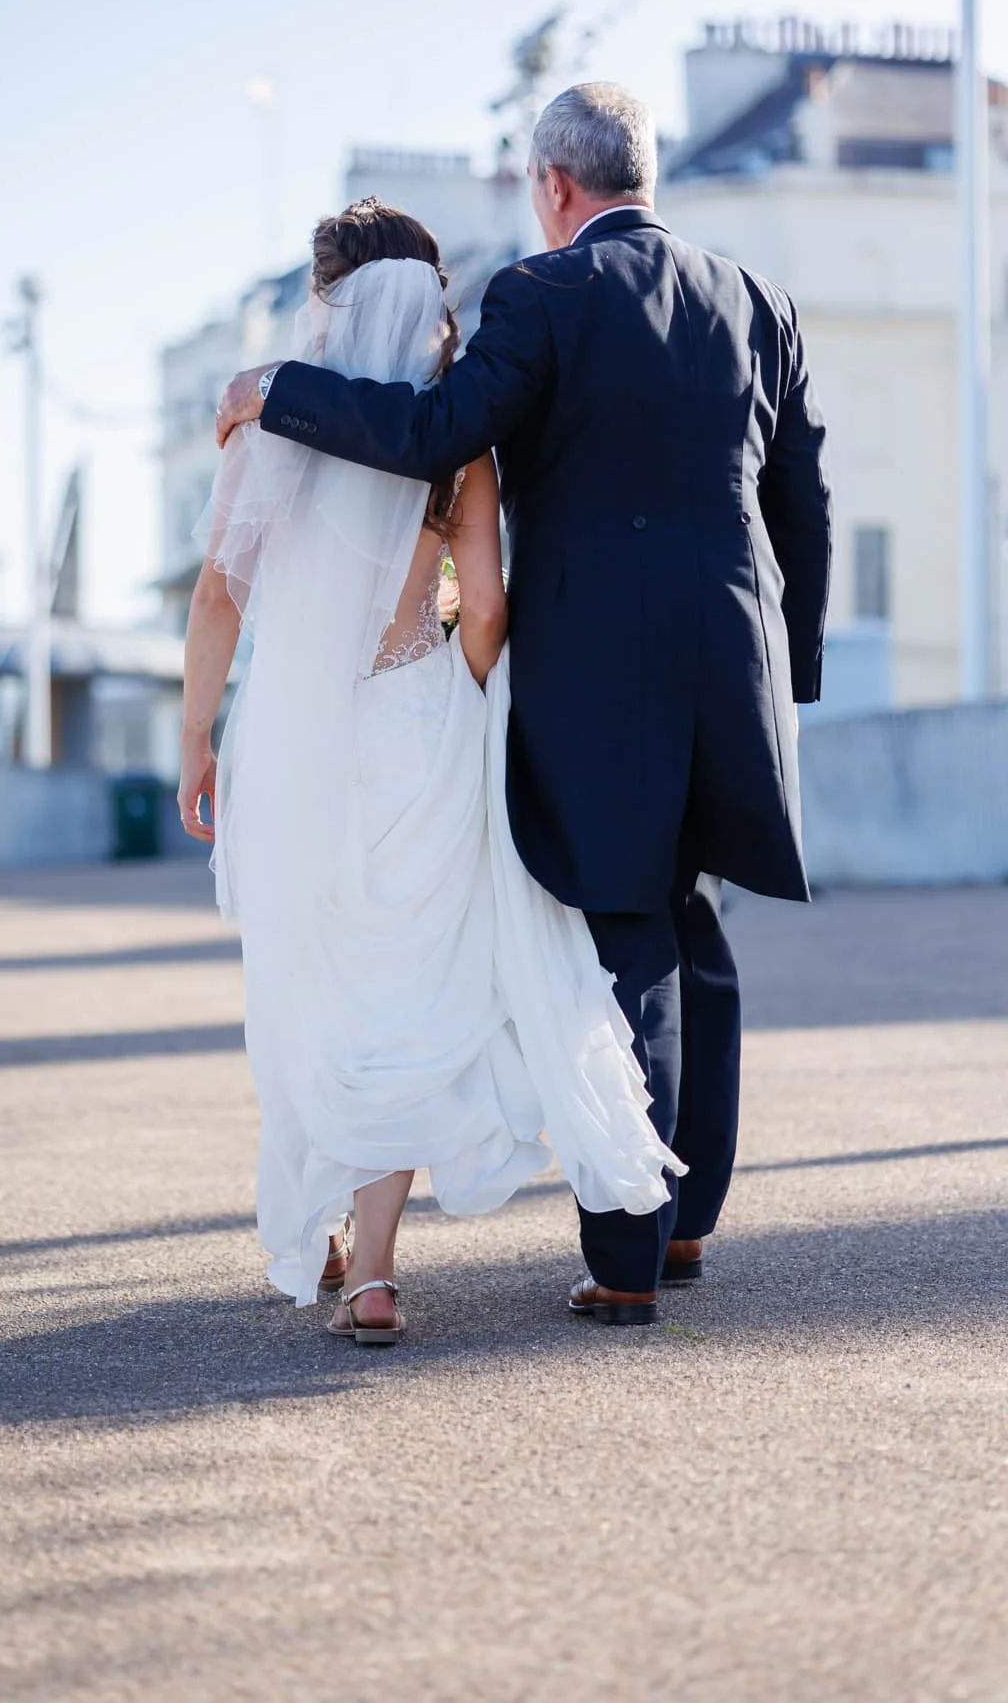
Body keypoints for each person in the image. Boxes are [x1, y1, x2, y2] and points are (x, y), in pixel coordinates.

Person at [215, 83, 833, 1324]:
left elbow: (435, 429)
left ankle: (629, 1254)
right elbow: (802, 504)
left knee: (630, 933)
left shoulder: (544, 294)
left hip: (602, 675)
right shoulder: (757, 300)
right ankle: (686, 1221)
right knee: (695, 930)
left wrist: (279, 389)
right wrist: (790, 672)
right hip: (730, 663)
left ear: (554, 185)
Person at [182, 198, 682, 1343]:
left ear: (328, 304)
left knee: (310, 979)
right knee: (398, 991)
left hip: (298, 733)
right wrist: (454, 671)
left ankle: (321, 1224)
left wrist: (197, 737)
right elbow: (485, 606)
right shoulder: (456, 446)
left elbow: (219, 595)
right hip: (417, 724)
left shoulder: (266, 424)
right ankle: (374, 1271)